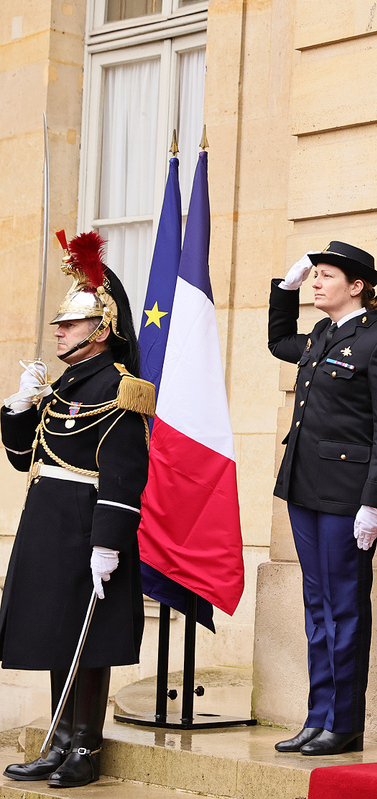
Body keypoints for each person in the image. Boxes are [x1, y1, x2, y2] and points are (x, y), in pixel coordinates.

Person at [0, 231, 153, 788]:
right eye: (60, 324)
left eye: (70, 323)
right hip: (47, 522)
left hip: (90, 526)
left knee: (90, 638)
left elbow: (124, 474)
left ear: (101, 329)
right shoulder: (63, 385)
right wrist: (20, 405)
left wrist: (108, 542)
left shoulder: (122, 388)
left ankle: (85, 747)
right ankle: (58, 742)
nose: (59, 331)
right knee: (57, 633)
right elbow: (25, 458)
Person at [268, 241, 377, 756]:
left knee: (344, 606)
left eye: (325, 275)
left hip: (347, 497)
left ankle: (344, 722)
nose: (316, 282)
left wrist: (376, 500)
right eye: (314, 275)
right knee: (317, 604)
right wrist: (283, 288)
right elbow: (278, 340)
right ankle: (318, 717)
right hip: (303, 487)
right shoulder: (320, 335)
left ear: (357, 286)